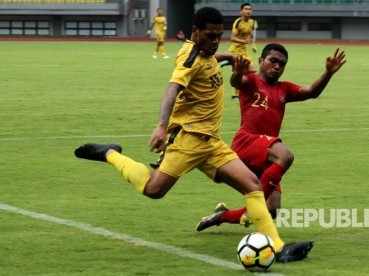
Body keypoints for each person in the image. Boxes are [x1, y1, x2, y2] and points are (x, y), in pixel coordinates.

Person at [75, 7, 312, 263]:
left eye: (218, 36)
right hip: (187, 139)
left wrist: (229, 57)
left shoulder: (206, 51)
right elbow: (172, 89)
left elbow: (209, 58)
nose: (214, 42)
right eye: (210, 36)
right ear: (195, 32)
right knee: (153, 190)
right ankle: (110, 153)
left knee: (252, 186)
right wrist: (161, 126)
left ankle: (278, 248)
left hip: (211, 143)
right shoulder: (188, 59)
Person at [196, 44, 346, 231]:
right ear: (260, 61)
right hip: (248, 141)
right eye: (272, 61)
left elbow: (311, 92)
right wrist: (236, 71)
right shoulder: (251, 81)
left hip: (267, 153)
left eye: (282, 64)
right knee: (286, 156)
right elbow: (236, 82)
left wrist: (328, 73)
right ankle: (252, 207)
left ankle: (222, 215)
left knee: (273, 209)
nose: (277, 67)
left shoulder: (284, 89)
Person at [224, 2, 257, 100]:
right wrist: (244, 41)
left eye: (250, 9)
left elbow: (249, 37)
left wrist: (253, 45)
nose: (248, 11)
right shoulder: (238, 22)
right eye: (246, 9)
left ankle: (236, 94)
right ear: (241, 11)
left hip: (244, 51)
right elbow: (232, 38)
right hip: (236, 50)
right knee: (250, 70)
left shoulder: (252, 22)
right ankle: (237, 94)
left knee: (248, 72)